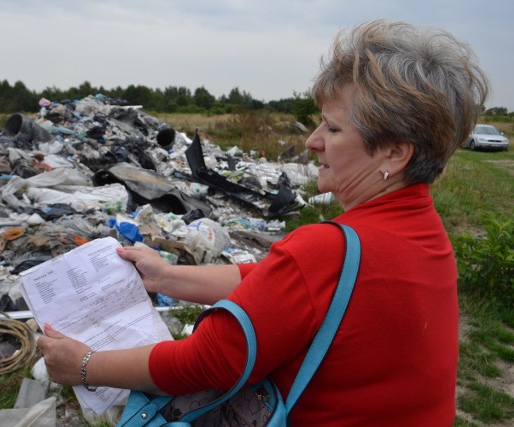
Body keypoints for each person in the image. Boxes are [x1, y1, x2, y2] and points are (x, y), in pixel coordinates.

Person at [37, 20, 489, 425]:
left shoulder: (326, 248)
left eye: (332, 129)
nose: (312, 142)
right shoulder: (425, 235)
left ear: (395, 151)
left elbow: (209, 361)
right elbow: (286, 288)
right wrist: (170, 277)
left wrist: (83, 365)